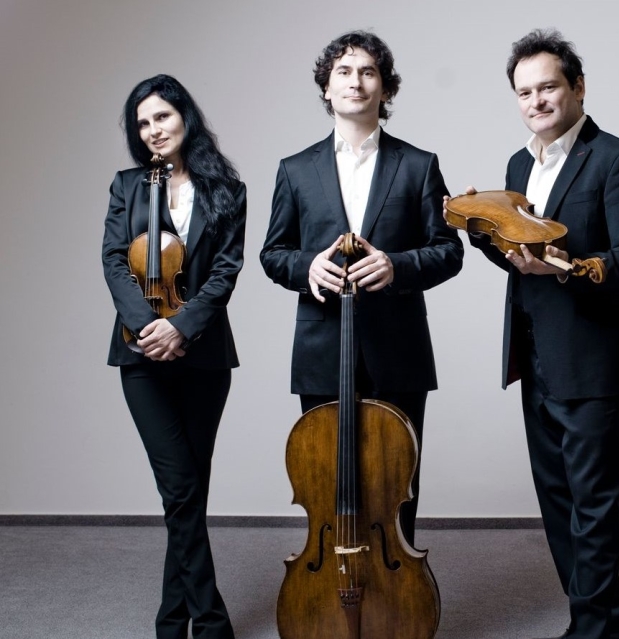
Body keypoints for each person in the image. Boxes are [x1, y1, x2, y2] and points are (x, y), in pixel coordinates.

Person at [458, 28, 619, 639]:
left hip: (593, 355)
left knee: (593, 500)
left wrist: (580, 267)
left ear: (577, 87)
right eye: (525, 92)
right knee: (555, 498)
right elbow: (520, 257)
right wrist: (483, 230)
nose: (537, 101)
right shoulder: (519, 164)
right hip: (534, 353)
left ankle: (595, 628)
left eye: (548, 87)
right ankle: (597, 620)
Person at [261, 30, 462, 546]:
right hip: (322, 349)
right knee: (327, 485)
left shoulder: (419, 165)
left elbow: (449, 250)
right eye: (344, 72)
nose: (356, 81)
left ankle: (399, 606)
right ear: (326, 88)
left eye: (368, 71)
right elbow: (272, 253)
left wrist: (396, 266)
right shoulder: (295, 169)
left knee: (399, 488)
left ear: (386, 89)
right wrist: (307, 269)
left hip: (399, 350)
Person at [102, 74, 245, 639]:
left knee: (187, 491)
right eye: (143, 122)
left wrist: (181, 326)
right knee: (180, 489)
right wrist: (147, 327)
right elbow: (115, 260)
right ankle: (210, 622)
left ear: (184, 116)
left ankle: (170, 621)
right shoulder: (127, 186)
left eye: (161, 116)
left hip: (204, 354)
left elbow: (225, 271)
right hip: (141, 358)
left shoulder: (226, 190)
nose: (153, 129)